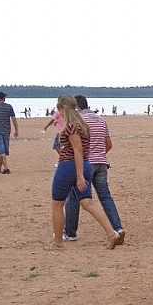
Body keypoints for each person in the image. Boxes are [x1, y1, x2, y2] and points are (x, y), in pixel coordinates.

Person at [50, 96, 121, 249]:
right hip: (87, 164)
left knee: (57, 204)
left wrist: (80, 175)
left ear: (63, 108)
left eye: (59, 110)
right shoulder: (83, 125)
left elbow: (77, 149)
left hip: (69, 166)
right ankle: (112, 233)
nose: (58, 113)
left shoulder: (72, 126)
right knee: (87, 202)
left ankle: (57, 243)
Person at [0, 91, 18, 174]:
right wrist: (16, 130)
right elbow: (14, 119)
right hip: (6, 131)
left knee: (1, 149)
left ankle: (6, 168)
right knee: (3, 148)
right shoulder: (9, 107)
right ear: (4, 98)